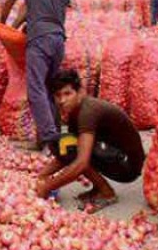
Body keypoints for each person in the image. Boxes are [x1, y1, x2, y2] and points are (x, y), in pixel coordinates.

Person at [35, 70, 145, 212]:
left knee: (73, 149)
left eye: (67, 94)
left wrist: (48, 186)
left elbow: (81, 163)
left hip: (128, 165)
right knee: (61, 143)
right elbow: (66, 153)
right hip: (113, 153)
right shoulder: (74, 113)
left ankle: (107, 193)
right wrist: (43, 175)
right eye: (58, 95)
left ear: (80, 92)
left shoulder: (88, 111)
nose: (62, 100)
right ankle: (98, 188)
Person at [0, 0, 71, 150]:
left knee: (36, 89)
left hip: (39, 40)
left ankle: (50, 139)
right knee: (50, 88)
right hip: (58, 39)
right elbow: (57, 12)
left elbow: (9, 3)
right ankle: (48, 139)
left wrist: (3, 24)